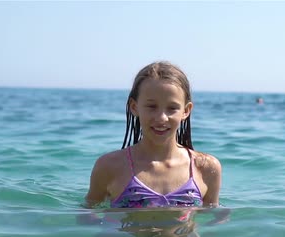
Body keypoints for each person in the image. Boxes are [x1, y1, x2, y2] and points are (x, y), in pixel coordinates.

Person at [85, 61, 222, 209]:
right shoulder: (109, 166)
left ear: (186, 111)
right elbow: (87, 215)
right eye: (151, 106)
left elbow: (213, 221)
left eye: (172, 108)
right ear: (134, 107)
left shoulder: (206, 168)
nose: (162, 118)